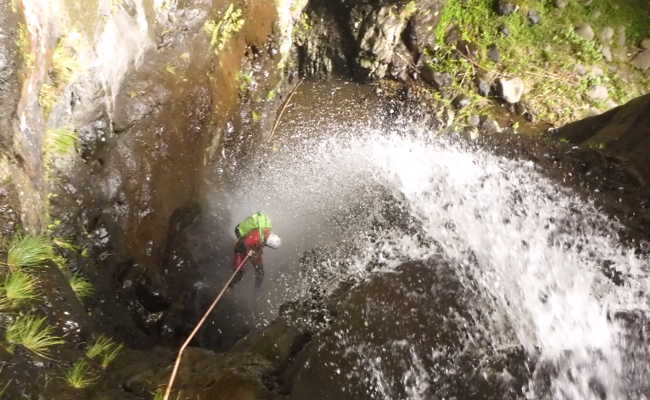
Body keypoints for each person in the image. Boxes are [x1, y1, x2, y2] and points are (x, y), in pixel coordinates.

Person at [231, 212, 281, 290]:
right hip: (240, 234)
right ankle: (231, 285)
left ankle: (256, 289)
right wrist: (248, 253)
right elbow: (240, 246)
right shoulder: (255, 238)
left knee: (260, 271)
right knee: (239, 271)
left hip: (250, 239)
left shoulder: (266, 230)